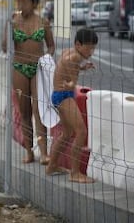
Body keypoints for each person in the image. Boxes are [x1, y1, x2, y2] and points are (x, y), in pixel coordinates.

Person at [2, 0, 55, 165]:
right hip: (19, 69)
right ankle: (28, 151)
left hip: (38, 69)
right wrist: (8, 26)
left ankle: (44, 152)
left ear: (33, 3)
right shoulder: (14, 21)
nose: (19, 5)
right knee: (24, 112)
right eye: (18, 1)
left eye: (23, 1)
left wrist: (47, 59)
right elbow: (4, 47)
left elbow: (51, 45)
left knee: (39, 111)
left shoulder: (42, 22)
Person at [46, 28, 97, 183]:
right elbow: (72, 83)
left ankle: (52, 166)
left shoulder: (69, 52)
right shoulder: (75, 57)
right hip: (64, 96)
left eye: (93, 48)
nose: (91, 52)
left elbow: (66, 67)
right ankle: (75, 173)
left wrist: (82, 68)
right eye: (88, 48)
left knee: (67, 134)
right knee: (81, 131)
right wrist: (71, 83)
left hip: (58, 95)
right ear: (78, 44)